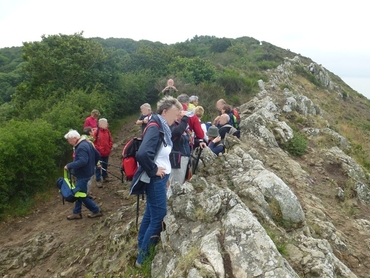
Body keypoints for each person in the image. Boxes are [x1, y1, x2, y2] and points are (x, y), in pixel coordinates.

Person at [129, 96, 182, 267]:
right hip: (154, 178)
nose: (177, 118)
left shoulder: (163, 127)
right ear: (164, 111)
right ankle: (143, 259)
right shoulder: (156, 127)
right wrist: (154, 170)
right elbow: (143, 154)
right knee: (159, 216)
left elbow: (160, 155)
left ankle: (140, 249)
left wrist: (165, 175)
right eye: (175, 114)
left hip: (160, 178)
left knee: (151, 214)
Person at [64, 129, 102, 220]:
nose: (69, 143)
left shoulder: (81, 147)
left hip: (83, 174)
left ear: (74, 138)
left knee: (81, 195)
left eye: (69, 140)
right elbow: (97, 154)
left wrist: (69, 166)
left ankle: (96, 210)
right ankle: (77, 212)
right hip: (87, 172)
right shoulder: (87, 142)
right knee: (79, 193)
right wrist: (93, 165)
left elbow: (82, 161)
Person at [169, 109, 191, 186]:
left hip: (184, 157)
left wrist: (200, 141)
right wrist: (185, 118)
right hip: (177, 158)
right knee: (176, 184)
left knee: (181, 182)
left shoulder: (180, 125)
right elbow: (177, 132)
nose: (181, 113)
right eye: (180, 112)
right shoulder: (170, 124)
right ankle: (171, 198)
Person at [94, 118, 113, 187]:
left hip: (106, 152)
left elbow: (110, 139)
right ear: (100, 124)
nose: (107, 124)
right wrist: (98, 149)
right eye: (105, 123)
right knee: (98, 166)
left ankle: (105, 177)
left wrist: (109, 146)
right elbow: (93, 142)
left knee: (105, 165)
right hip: (99, 153)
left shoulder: (107, 131)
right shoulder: (96, 132)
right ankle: (98, 180)